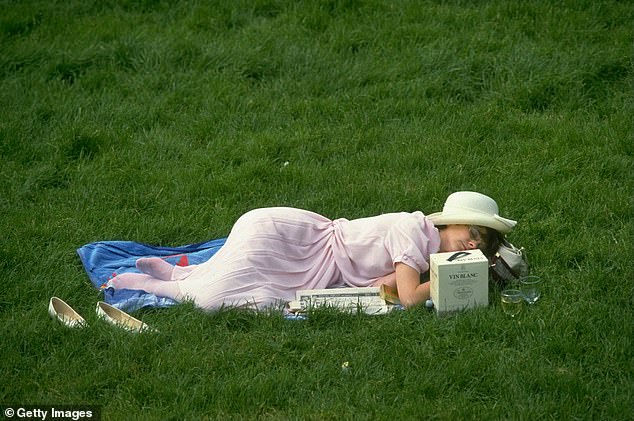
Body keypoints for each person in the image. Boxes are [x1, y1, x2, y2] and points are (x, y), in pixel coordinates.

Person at [109, 191, 516, 310]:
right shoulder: (416, 231)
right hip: (298, 245)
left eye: (482, 242)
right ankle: (159, 284)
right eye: (472, 233)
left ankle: (177, 273)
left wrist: (443, 271)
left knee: (232, 284)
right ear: (449, 222)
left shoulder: (424, 253)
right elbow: (409, 299)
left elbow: (387, 289)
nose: (472, 243)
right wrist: (462, 273)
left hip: (300, 241)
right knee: (220, 301)